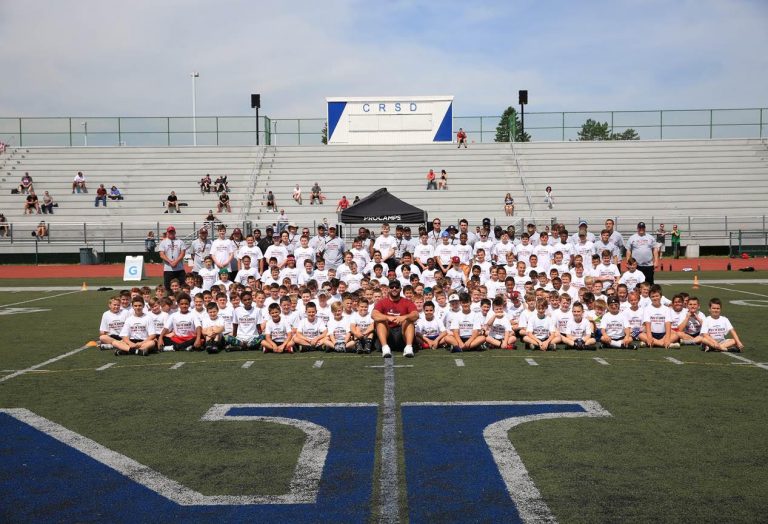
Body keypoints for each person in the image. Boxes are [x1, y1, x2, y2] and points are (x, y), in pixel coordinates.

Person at [372, 279, 418, 358]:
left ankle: (408, 348)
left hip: (402, 334)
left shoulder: (407, 302)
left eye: (396, 287)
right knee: (380, 322)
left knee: (409, 321)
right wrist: (388, 317)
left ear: (400, 289)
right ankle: (385, 348)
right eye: (392, 286)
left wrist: (404, 317)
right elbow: (374, 315)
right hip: (388, 333)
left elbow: (416, 315)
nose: (394, 288)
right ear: (388, 289)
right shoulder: (382, 302)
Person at [158, 226, 187, 290]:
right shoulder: (163, 242)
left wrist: (176, 262)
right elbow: (161, 254)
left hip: (179, 268)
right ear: (167, 233)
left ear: (175, 232)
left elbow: (183, 253)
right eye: (169, 232)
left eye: (172, 232)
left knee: (183, 286)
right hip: (168, 269)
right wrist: (170, 262)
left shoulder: (180, 241)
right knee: (168, 287)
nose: (171, 233)